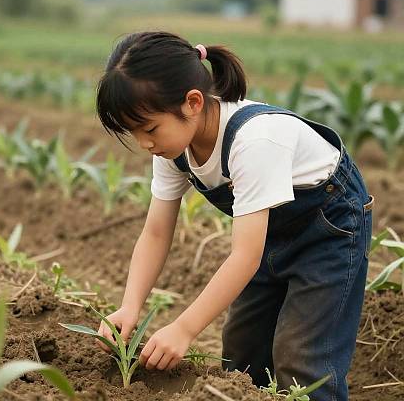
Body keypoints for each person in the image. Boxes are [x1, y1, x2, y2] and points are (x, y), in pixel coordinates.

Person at [94, 31, 373, 400]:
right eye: (134, 132)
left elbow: (245, 255)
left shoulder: (254, 141)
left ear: (192, 102)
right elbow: (156, 233)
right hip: (268, 234)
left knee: (302, 362)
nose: (145, 144)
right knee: (242, 354)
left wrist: (184, 328)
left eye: (149, 129)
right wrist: (130, 307)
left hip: (330, 231)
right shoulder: (173, 150)